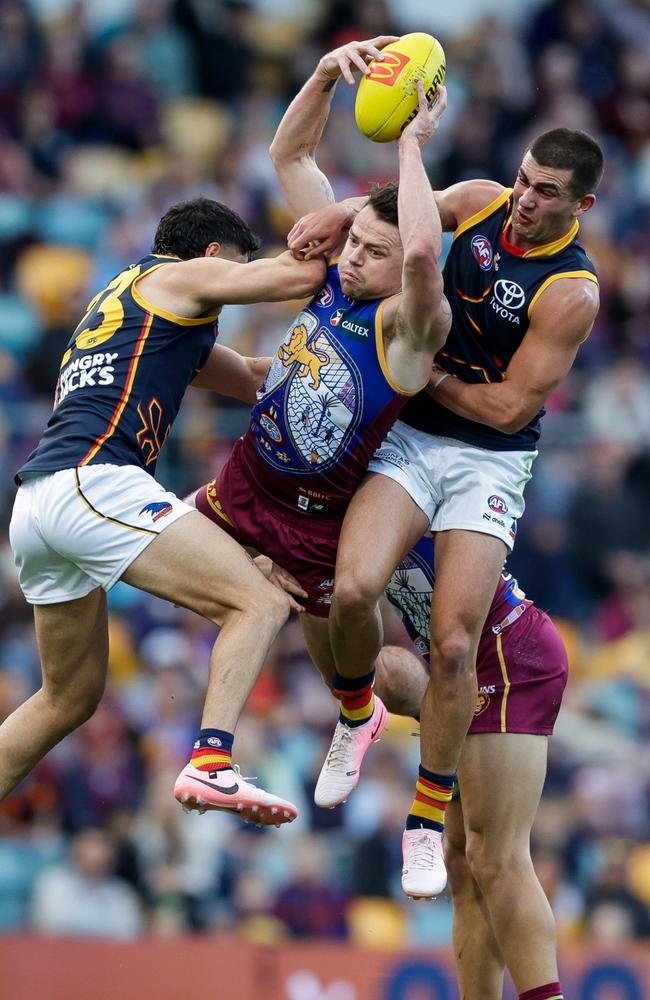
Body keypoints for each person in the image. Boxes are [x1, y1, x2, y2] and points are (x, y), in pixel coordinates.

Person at [293, 113, 603, 916]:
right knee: (352, 588)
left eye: (546, 194)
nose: (524, 201)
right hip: (415, 434)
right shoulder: (479, 200)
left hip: (485, 457)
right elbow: (398, 215)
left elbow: (505, 409)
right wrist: (341, 213)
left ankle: (426, 813)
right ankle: (355, 712)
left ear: (585, 205)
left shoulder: (570, 291)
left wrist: (416, 371)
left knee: (456, 638)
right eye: (525, 179)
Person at [4, 196, 326, 826]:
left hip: (41, 500)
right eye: (234, 267)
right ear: (213, 256)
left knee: (67, 697)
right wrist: (354, 223)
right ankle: (211, 760)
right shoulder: (178, 275)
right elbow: (298, 276)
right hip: (94, 484)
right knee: (256, 603)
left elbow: (258, 378)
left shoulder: (137, 305)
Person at [191, 42, 450, 708]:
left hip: (317, 524)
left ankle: (385, 717)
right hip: (247, 480)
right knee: (128, 550)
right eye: (354, 240)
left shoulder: (409, 327)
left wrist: (411, 147)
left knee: (347, 680)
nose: (352, 256)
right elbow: (291, 157)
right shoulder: (340, 274)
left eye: (372, 251)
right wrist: (324, 74)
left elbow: (423, 251)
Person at [379, 535, 567, 1000]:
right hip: (451, 667)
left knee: (497, 856)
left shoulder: (386, 482)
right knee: (462, 864)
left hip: (503, 651)